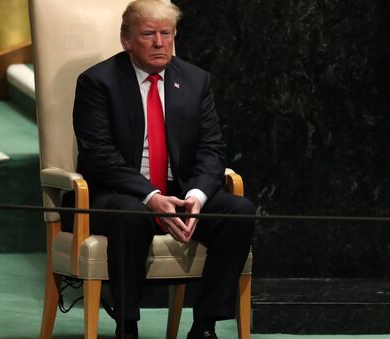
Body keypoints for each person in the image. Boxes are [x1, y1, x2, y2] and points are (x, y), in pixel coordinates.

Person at [67, 0, 255, 338]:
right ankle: (127, 325)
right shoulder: (98, 83)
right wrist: (150, 196)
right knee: (131, 214)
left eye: (166, 34)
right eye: (148, 34)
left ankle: (205, 325)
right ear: (127, 39)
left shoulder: (196, 81)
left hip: (179, 190)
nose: (159, 43)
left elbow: (212, 149)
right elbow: (99, 156)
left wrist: (196, 196)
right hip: (115, 194)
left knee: (238, 211)